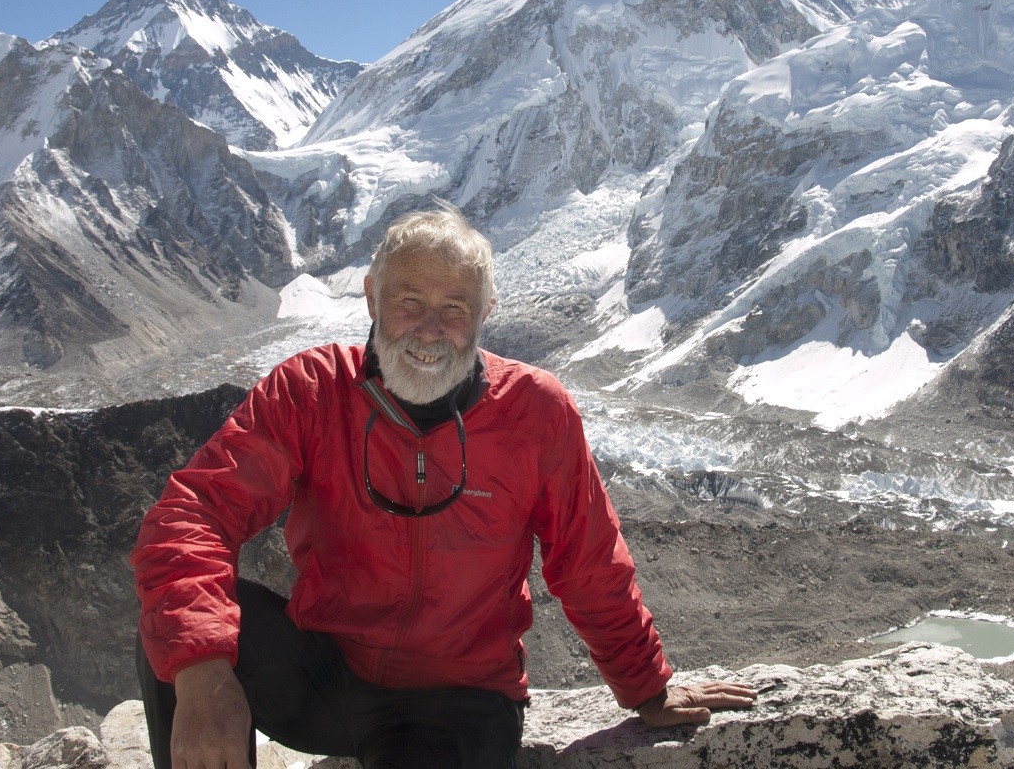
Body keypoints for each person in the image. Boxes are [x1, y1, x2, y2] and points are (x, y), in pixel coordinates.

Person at [132, 204, 756, 769]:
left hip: (457, 701)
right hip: (322, 674)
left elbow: (588, 561)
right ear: (372, 298)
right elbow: (195, 513)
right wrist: (204, 671)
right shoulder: (312, 390)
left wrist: (646, 687)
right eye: (409, 301)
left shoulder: (534, 411)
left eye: (455, 307)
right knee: (188, 627)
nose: (430, 330)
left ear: (485, 314)